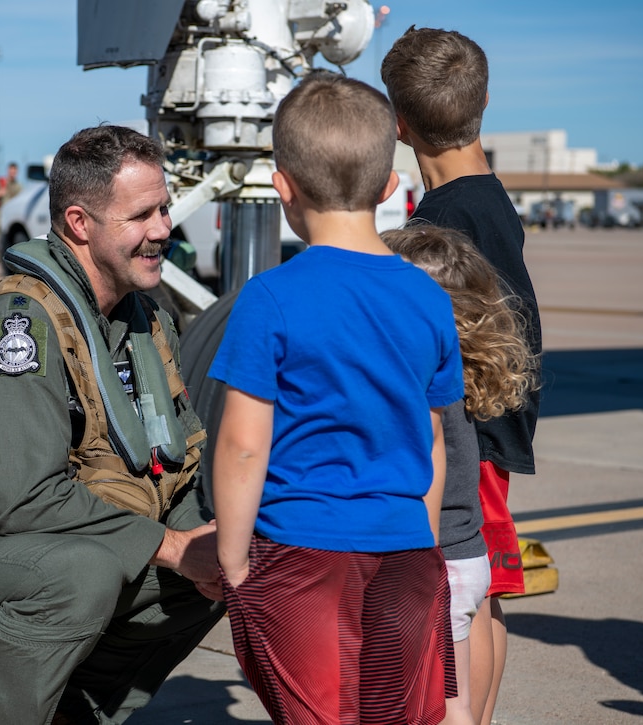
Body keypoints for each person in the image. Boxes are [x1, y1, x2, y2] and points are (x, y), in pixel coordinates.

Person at [0, 125, 225, 725]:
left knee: (225, 565)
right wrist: (174, 547)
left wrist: (209, 547)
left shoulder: (146, 319)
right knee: (82, 575)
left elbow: (172, 470)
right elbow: (23, 501)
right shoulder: (21, 330)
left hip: (35, 545)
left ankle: (72, 717)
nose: (163, 228)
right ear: (80, 224)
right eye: (141, 216)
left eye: (163, 209)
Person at [207, 72, 465, 725]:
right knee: (392, 712)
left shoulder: (270, 298)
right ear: (387, 186)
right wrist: (422, 539)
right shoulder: (429, 299)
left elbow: (243, 443)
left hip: (301, 547)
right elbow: (432, 439)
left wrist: (234, 559)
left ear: (282, 184)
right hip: (406, 546)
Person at [382, 26, 543, 725]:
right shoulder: (489, 198)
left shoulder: (445, 222)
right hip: (497, 426)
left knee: (462, 593)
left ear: (398, 123)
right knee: (487, 593)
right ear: (482, 101)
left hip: (468, 435)